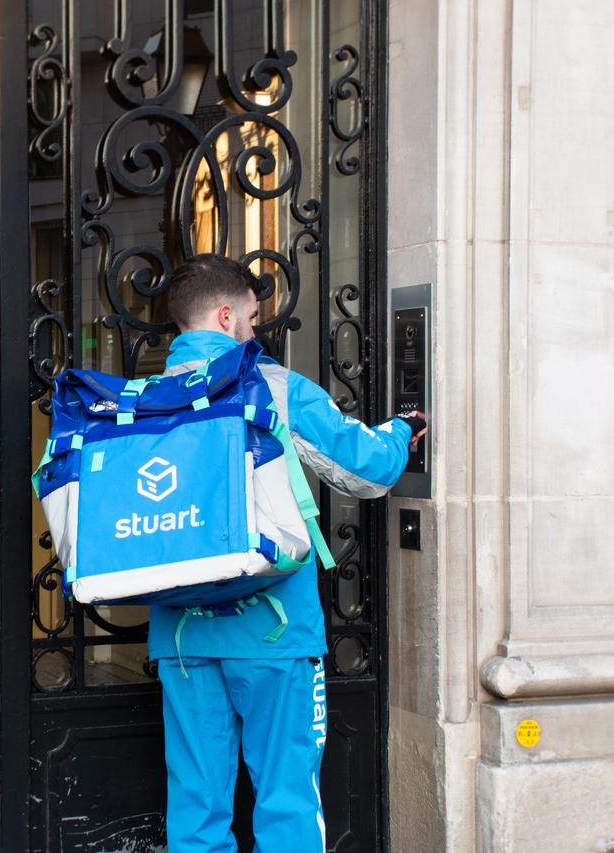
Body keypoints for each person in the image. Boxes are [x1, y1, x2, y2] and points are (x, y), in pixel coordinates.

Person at [152, 254, 427, 852]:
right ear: (227, 317)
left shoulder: (143, 399)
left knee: (196, 810)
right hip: (274, 631)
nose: (255, 330)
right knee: (287, 804)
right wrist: (405, 429)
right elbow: (369, 470)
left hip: (182, 636)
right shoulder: (271, 386)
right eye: (251, 318)